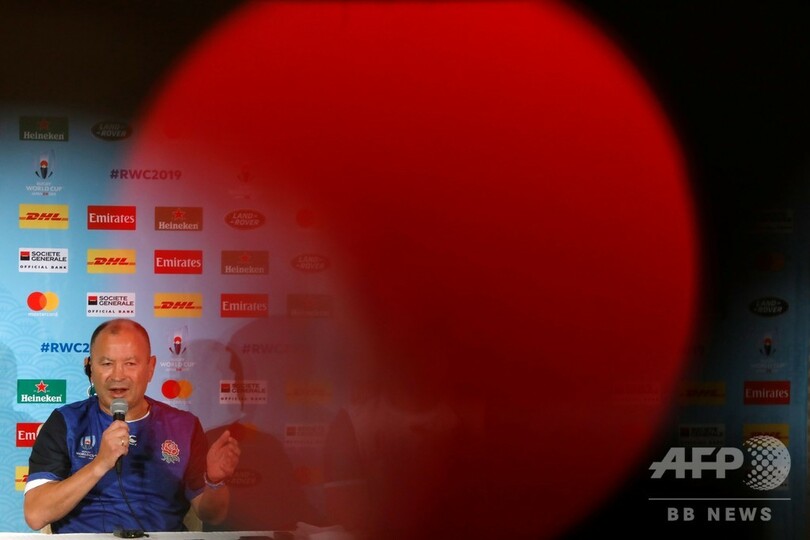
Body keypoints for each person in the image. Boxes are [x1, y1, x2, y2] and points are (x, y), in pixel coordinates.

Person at [23, 319, 241, 533]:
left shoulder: (184, 426)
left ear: (150, 368)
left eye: (130, 363)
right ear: (89, 367)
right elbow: (35, 514)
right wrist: (100, 464)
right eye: (106, 364)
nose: (118, 375)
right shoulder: (66, 422)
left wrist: (215, 482)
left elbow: (212, 515)